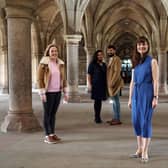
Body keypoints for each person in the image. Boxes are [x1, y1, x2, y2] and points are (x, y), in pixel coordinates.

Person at [128, 36, 159, 163]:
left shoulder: (152, 61)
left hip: (147, 92)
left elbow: (156, 80)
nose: (141, 47)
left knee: (145, 121)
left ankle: (145, 150)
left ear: (147, 46)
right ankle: (139, 149)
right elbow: (132, 82)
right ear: (137, 47)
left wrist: (155, 97)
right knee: (136, 121)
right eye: (139, 45)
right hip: (136, 93)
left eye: (144, 45)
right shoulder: (135, 62)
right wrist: (130, 98)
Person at [37, 43, 67, 144]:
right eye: (52, 51)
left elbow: (63, 78)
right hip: (48, 92)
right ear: (48, 52)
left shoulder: (60, 63)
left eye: (55, 51)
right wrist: (42, 93)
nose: (54, 53)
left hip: (57, 92)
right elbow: (39, 78)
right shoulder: (44, 63)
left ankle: (52, 134)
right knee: (47, 114)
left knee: (53, 114)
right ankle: (47, 135)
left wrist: (65, 91)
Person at [87, 50, 107, 124]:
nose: (100, 56)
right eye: (98, 55)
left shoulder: (104, 64)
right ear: (96, 56)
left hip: (102, 85)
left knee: (100, 101)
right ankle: (97, 117)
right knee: (97, 101)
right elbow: (89, 75)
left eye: (101, 55)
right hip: (95, 84)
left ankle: (98, 116)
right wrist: (89, 84)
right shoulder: (92, 64)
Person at [106, 45, 124, 125]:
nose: (110, 52)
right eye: (109, 50)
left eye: (111, 50)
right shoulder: (110, 59)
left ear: (114, 51)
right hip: (110, 83)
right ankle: (115, 117)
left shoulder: (117, 59)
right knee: (113, 101)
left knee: (116, 101)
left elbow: (117, 72)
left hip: (114, 83)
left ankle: (117, 119)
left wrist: (112, 82)